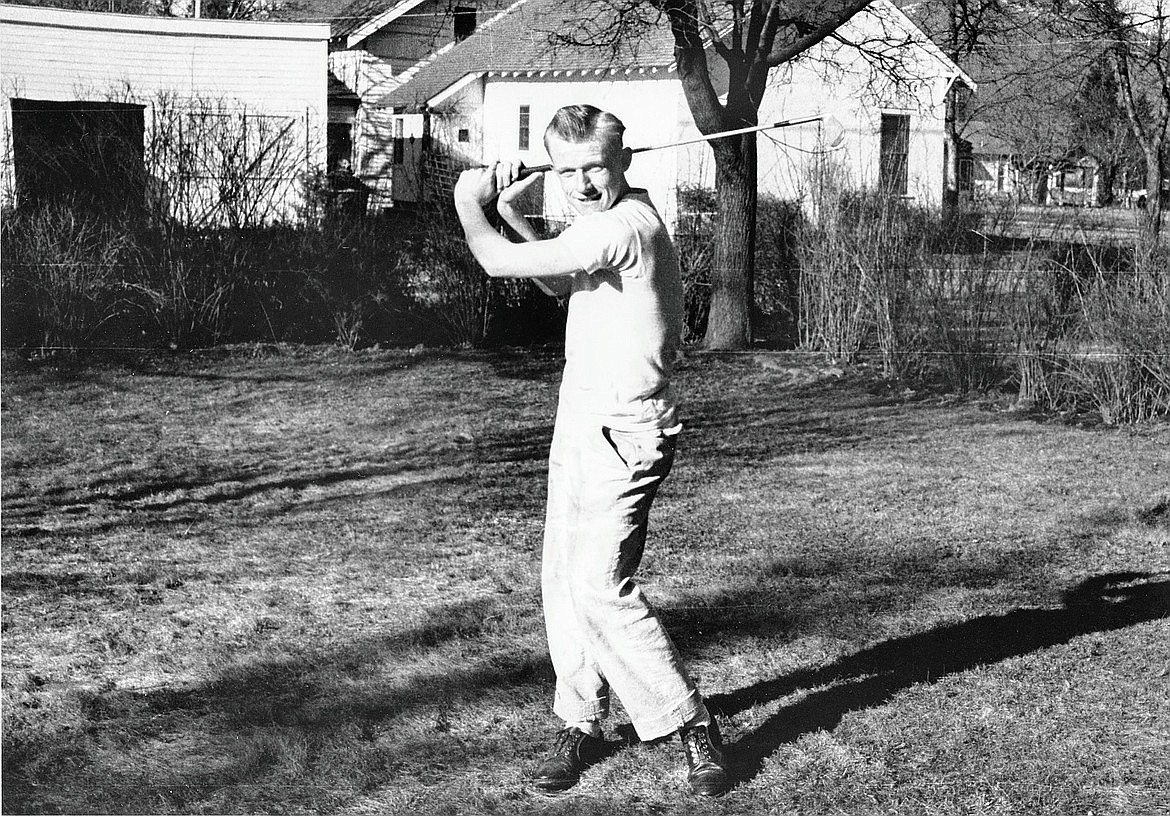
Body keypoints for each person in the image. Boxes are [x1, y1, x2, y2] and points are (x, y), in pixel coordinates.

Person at [453, 104, 732, 797]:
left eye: (593, 169)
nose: (579, 183)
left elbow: (494, 263)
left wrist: (470, 203)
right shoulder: (602, 224)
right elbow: (554, 280)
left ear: (625, 160)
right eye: (566, 170)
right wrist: (517, 210)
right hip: (582, 420)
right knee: (563, 583)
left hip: (628, 434)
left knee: (599, 588)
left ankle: (692, 721)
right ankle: (579, 720)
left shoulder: (625, 226)